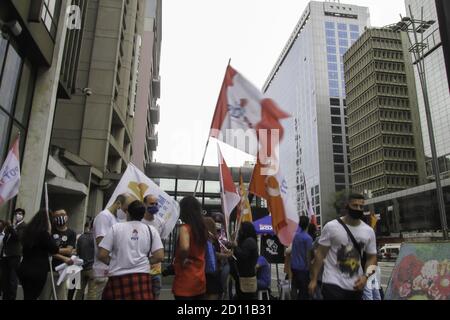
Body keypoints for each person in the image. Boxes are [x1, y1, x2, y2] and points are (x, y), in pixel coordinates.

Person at [308, 193, 377, 300]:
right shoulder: (331, 227)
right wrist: (314, 279)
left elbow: (372, 258)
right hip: (332, 282)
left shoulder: (369, 231)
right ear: (347, 206)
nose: (358, 209)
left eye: (361, 206)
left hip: (355, 285)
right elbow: (320, 253)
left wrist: (365, 277)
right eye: (355, 205)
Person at [98, 200, 164, 300]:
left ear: (127, 213)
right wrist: (146, 261)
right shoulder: (151, 230)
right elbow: (159, 256)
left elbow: (102, 255)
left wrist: (114, 262)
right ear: (143, 214)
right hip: (142, 278)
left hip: (118, 278)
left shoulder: (116, 228)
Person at [92, 193, 132, 300]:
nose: (126, 213)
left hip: (110, 271)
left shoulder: (114, 219)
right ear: (118, 203)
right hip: (102, 271)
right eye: (125, 209)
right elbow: (101, 247)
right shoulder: (104, 217)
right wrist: (115, 263)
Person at [17, 210, 60, 300]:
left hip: (24, 268)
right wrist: (49, 233)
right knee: (33, 296)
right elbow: (55, 249)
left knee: (27, 296)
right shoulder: (44, 234)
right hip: (37, 271)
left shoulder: (28, 231)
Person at [172, 196, 207, 300]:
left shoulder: (185, 228)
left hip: (185, 280)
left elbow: (184, 247)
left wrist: (183, 258)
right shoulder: (202, 229)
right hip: (199, 279)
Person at [40, 209, 77, 300]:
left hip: (63, 270)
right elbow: (46, 250)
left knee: (60, 296)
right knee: (45, 296)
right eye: (57, 216)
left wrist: (54, 250)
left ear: (66, 217)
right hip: (49, 269)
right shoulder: (50, 231)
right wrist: (63, 257)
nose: (60, 217)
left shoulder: (71, 233)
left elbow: (69, 250)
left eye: (62, 214)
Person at [1, 208, 27, 300]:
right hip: (5, 254)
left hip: (14, 255)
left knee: (12, 279)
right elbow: (6, 238)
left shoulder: (23, 226)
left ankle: (11, 297)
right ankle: (5, 297)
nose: (18, 215)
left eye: (20, 214)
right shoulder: (13, 225)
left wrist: (10, 227)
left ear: (23, 215)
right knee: (5, 278)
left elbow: (17, 237)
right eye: (16, 214)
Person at [142, 194, 165, 299]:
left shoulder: (161, 222)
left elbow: (161, 242)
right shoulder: (138, 221)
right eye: (151, 204)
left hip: (156, 268)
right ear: (144, 204)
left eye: (156, 204)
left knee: (156, 295)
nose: (155, 206)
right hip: (141, 267)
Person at [230, 222, 258, 300]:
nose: (239, 231)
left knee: (245, 295)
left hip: (246, 276)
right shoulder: (248, 241)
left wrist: (235, 246)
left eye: (241, 229)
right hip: (243, 274)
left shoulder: (249, 241)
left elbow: (242, 256)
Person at [291, 216, 313, 300]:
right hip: (303, 269)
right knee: (303, 292)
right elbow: (308, 256)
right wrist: (310, 269)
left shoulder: (295, 236)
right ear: (307, 224)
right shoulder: (308, 238)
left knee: (294, 287)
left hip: (294, 266)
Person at [213, 213, 232, 300]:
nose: (218, 223)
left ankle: (224, 296)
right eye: (216, 221)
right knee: (215, 285)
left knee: (223, 283)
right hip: (214, 263)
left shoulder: (226, 233)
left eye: (219, 221)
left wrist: (229, 246)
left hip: (225, 262)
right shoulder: (209, 233)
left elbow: (229, 245)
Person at [75, 221, 96, 300]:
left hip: (82, 268)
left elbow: (78, 252)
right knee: (92, 293)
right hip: (93, 268)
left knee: (79, 292)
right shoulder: (96, 238)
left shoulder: (81, 237)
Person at [203, 217, 223, 300]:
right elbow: (213, 254)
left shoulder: (204, 238)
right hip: (212, 271)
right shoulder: (210, 239)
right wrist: (225, 255)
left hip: (204, 271)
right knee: (213, 293)